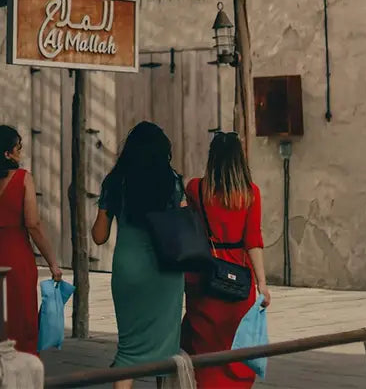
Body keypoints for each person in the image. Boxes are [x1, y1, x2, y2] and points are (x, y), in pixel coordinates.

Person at [92, 121, 186, 389]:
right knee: (167, 349)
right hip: (166, 272)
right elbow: (180, 227)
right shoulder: (173, 182)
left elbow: (99, 236)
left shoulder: (115, 182)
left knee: (128, 352)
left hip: (129, 271)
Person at [0, 125, 63, 355]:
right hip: (18, 266)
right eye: (18, 148)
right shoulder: (23, 179)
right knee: (21, 329)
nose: (21, 153)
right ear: (7, 154)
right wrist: (53, 262)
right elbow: (33, 224)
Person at [180, 131, 270, 388]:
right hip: (238, 281)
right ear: (239, 160)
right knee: (237, 346)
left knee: (204, 347)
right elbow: (253, 240)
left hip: (204, 277)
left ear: (212, 158)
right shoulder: (250, 194)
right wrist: (262, 283)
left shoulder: (196, 188)